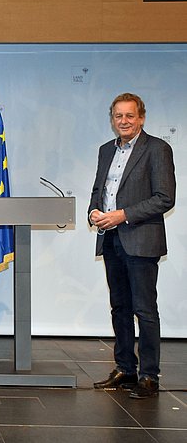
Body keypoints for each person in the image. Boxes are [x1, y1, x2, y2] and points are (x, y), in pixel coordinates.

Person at [88, 93, 175, 399]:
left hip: (140, 240)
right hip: (111, 239)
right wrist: (93, 212)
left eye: (129, 116)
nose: (123, 121)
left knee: (145, 310)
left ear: (141, 118)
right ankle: (126, 368)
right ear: (112, 119)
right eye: (118, 116)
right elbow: (100, 189)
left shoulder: (157, 149)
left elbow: (165, 198)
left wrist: (123, 215)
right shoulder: (104, 150)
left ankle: (149, 375)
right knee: (120, 308)